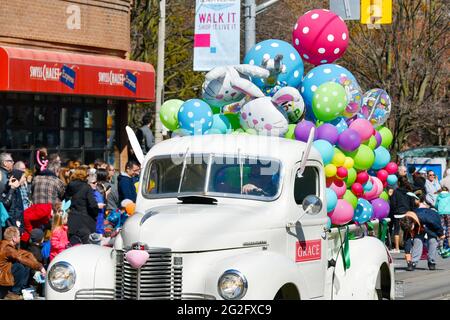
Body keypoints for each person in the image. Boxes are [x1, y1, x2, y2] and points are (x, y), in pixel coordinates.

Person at [0, 226, 46, 300]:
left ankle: (16, 290)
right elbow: (20, 257)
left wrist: (37, 265)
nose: (20, 237)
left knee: (24, 262)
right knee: (19, 267)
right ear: (14, 238)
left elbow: (26, 254)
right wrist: (40, 267)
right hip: (2, 276)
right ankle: (13, 293)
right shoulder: (7, 248)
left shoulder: (9, 246)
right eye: (19, 236)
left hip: (4, 274)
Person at [65, 168, 104, 245]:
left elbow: (66, 201)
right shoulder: (86, 187)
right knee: (86, 247)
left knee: (73, 245)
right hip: (85, 221)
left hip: (72, 220)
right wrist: (96, 212)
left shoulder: (69, 186)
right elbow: (92, 205)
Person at [388, 176, 416, 253]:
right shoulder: (410, 192)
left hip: (398, 214)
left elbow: (393, 203)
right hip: (407, 213)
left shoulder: (395, 192)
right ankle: (408, 248)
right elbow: (412, 204)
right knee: (408, 230)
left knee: (396, 230)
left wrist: (395, 210)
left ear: (399, 183)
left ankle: (397, 248)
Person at [436, 187, 450, 251]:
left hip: (440, 212)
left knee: (442, 227)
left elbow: (436, 205)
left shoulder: (439, 196)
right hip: (449, 212)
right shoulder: (449, 195)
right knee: (449, 228)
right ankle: (448, 244)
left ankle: (441, 244)